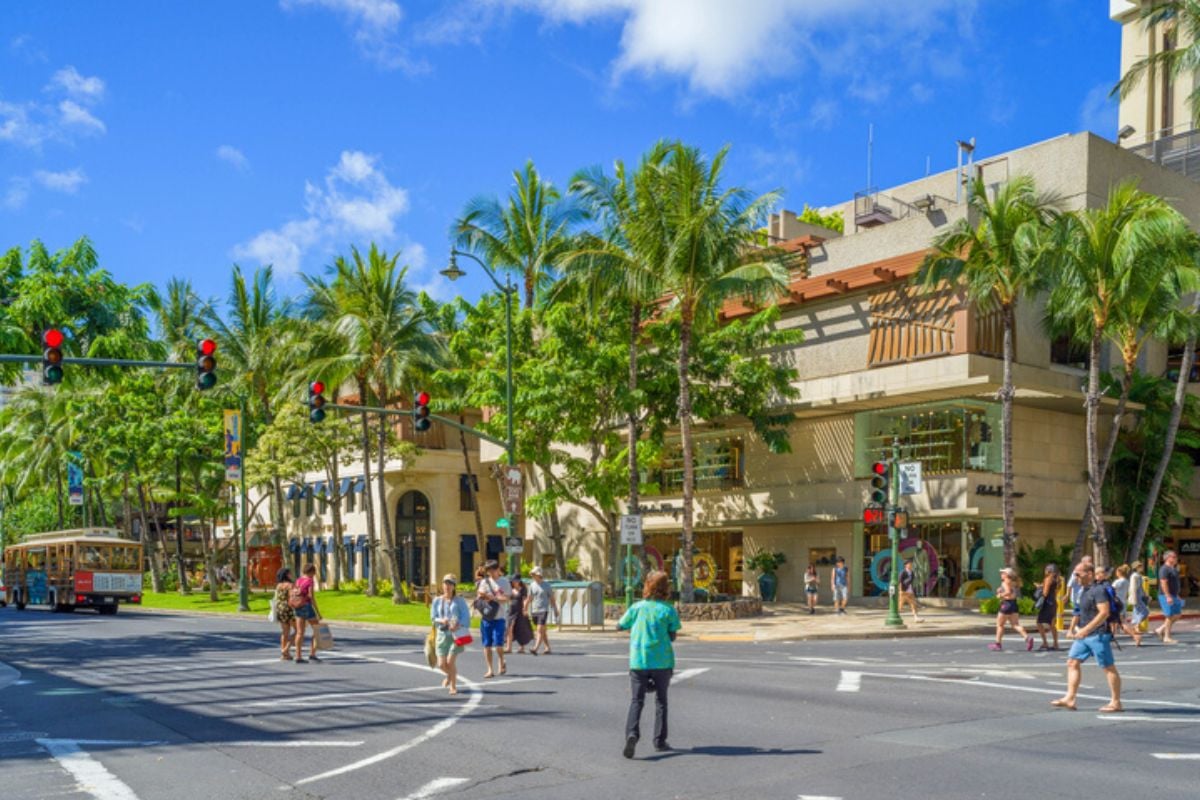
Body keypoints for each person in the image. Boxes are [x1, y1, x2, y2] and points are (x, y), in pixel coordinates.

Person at [617, 570, 681, 759]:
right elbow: (673, 635)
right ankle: (659, 741)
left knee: (637, 701)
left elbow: (620, 625)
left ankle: (632, 734)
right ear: (665, 588)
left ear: (646, 586)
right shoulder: (668, 610)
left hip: (639, 661)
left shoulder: (637, 608)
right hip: (662, 662)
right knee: (661, 701)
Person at [1051, 561, 1123, 713]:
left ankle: (1116, 702)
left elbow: (1104, 612)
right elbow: (1078, 612)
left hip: (1098, 634)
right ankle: (1070, 698)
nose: (1075, 577)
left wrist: (1086, 629)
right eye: (1074, 574)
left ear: (1089, 574)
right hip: (1084, 635)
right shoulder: (1082, 590)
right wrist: (1072, 629)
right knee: (1072, 662)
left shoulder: (1098, 591)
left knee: (1108, 667)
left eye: (1078, 574)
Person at [431, 574, 471, 696]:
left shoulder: (459, 601)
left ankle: (453, 686)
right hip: (442, 635)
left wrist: (458, 624)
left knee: (450, 662)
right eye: (445, 583)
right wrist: (441, 620)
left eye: (450, 584)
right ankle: (449, 675)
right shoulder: (437, 601)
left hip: (455, 635)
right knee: (441, 664)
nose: (447, 586)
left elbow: (466, 616)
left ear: (454, 586)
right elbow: (433, 618)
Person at [476, 560, 511, 678]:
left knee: (498, 645)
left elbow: (506, 598)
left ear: (497, 569)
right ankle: (490, 669)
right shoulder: (484, 582)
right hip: (486, 617)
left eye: (492, 570)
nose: (490, 573)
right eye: (488, 571)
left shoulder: (504, 582)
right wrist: (485, 596)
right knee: (487, 645)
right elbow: (480, 595)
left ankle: (501, 660)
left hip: (499, 617)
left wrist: (494, 598)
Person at [989, 567, 1033, 651]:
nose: (1001, 575)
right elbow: (1013, 592)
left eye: (1003, 573)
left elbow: (1008, 592)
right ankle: (1027, 637)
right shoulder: (1014, 582)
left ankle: (998, 644)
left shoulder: (1005, 582)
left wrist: (1000, 595)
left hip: (1006, 604)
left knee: (1000, 625)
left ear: (1006, 575)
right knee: (1015, 624)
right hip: (1013, 604)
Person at [291, 563, 322, 664]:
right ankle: (312, 653)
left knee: (300, 632)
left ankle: (298, 655)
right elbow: (311, 596)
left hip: (298, 606)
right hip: (307, 606)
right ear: (312, 572)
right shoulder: (309, 580)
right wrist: (318, 612)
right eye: (314, 572)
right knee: (317, 630)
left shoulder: (298, 580)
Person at [1108, 564, 1143, 646]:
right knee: (1114, 621)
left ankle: (1135, 636)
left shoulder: (1118, 582)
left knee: (1121, 622)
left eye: (1117, 572)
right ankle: (1112, 635)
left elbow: (1111, 590)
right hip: (1123, 602)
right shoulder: (1127, 581)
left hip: (1116, 603)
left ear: (1119, 572)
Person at [528, 566, 559, 655]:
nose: (533, 576)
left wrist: (555, 609)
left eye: (534, 574)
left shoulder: (546, 585)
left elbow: (552, 598)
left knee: (539, 629)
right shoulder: (532, 585)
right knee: (543, 631)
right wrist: (525, 607)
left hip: (543, 609)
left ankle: (535, 648)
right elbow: (529, 597)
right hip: (534, 610)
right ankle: (547, 647)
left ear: (539, 575)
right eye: (532, 574)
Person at [1155, 550, 1183, 644]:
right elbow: (1163, 582)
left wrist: (1177, 595)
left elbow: (1175, 583)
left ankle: (1160, 629)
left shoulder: (1173, 569)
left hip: (1174, 595)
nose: (1176, 558)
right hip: (1166, 595)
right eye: (1174, 557)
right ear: (1167, 558)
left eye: (1175, 557)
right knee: (1170, 616)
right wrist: (1168, 596)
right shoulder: (1164, 569)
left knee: (1177, 614)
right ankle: (1167, 637)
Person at [504, 574, 534, 654]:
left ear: (519, 581)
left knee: (521, 628)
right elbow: (506, 598)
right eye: (513, 581)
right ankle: (508, 647)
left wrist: (525, 609)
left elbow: (525, 599)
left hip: (520, 611)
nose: (515, 582)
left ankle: (522, 647)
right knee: (509, 628)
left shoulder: (523, 589)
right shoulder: (510, 588)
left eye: (516, 581)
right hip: (511, 611)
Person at [273, 567, 297, 661]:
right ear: (287, 575)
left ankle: (284, 654)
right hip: (288, 608)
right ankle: (286, 649)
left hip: (280, 608)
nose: (291, 575)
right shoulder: (290, 585)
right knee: (298, 630)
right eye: (290, 573)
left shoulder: (278, 585)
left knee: (285, 632)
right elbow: (292, 598)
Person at [1035, 563, 1060, 651]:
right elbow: (1053, 591)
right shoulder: (1056, 580)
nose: (1045, 571)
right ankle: (1055, 643)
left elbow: (1045, 593)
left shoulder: (1048, 579)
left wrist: (1039, 588)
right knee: (1052, 624)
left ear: (1049, 570)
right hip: (1053, 602)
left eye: (1046, 569)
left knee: (1039, 623)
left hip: (1047, 603)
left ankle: (1045, 642)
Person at [1066, 555, 1093, 636]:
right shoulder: (1077, 572)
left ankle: (1081, 629)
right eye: (1089, 561)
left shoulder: (1090, 571)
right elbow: (1070, 584)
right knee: (1077, 613)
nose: (1090, 563)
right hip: (1079, 596)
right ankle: (1072, 630)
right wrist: (1067, 595)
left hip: (1088, 596)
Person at [1128, 560, 1150, 633]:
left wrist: (1145, 595)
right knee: (1145, 611)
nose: (1142, 567)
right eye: (1140, 566)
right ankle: (1136, 625)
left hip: (1140, 596)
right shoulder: (1134, 576)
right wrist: (1134, 598)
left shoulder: (1138, 576)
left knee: (1137, 612)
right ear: (1137, 567)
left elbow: (1140, 587)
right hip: (1136, 596)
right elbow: (1133, 588)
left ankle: (1135, 626)